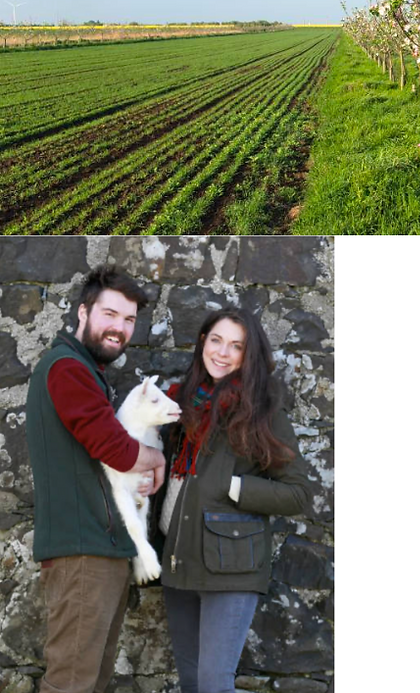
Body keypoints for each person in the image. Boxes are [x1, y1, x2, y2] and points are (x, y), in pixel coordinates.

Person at [25, 265, 167, 693]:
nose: (119, 328)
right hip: (82, 552)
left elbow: (104, 463)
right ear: (83, 312)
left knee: (90, 682)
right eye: (110, 314)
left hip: (97, 551)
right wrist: (155, 458)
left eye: (128, 320)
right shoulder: (67, 368)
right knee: (71, 684)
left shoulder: (85, 371)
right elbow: (115, 449)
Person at [157, 306, 312, 693]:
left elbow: (298, 493)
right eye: (216, 341)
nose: (223, 353)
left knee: (213, 683)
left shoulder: (261, 410)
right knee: (191, 681)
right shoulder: (179, 403)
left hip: (232, 567)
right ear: (202, 344)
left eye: (236, 346)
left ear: (249, 355)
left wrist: (234, 486)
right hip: (178, 558)